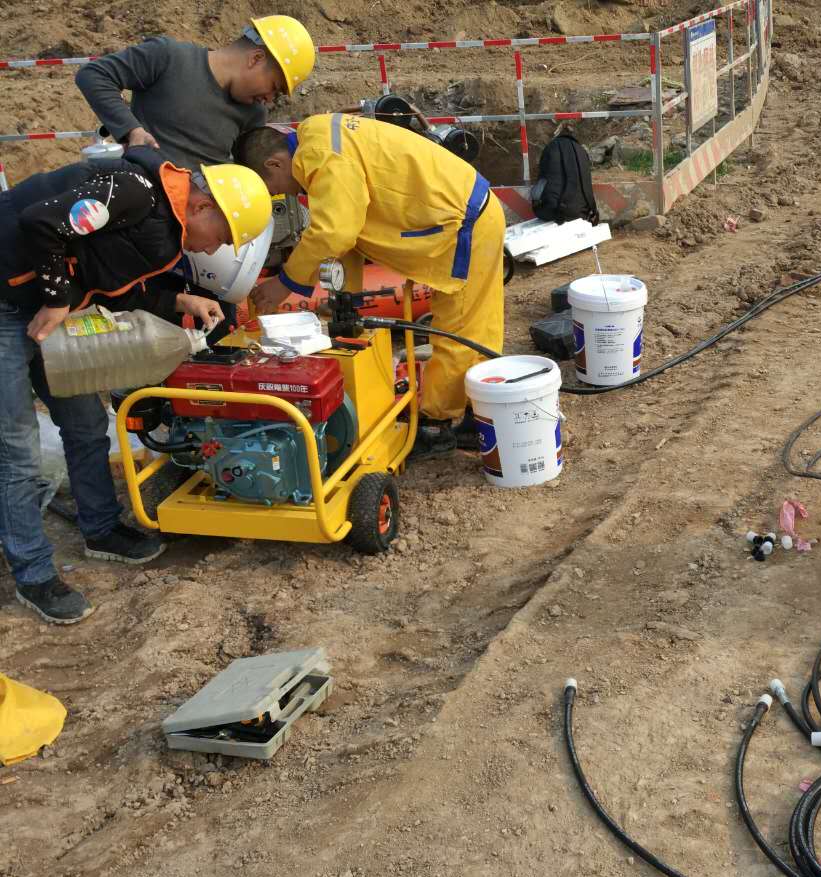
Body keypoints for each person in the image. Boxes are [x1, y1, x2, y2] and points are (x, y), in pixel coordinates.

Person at [0, 147, 272, 624]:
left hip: (44, 307)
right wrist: (58, 299)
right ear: (204, 207)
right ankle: (34, 573)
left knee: (85, 425)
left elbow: (114, 277)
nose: (211, 250)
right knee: (16, 451)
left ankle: (101, 530)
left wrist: (179, 299)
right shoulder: (133, 191)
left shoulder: (165, 228)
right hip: (7, 303)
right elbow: (41, 222)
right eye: (221, 238)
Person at [233, 115, 505, 456]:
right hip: (459, 213)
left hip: (463, 223)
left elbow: (335, 232)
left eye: (272, 184)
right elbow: (350, 234)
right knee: (474, 324)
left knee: (460, 329)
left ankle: (437, 424)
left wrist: (286, 282)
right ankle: (478, 413)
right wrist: (348, 298)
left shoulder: (320, 157)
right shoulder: (317, 138)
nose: (279, 193)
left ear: (275, 162)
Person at [75, 15, 315, 339]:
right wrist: (131, 130)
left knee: (222, 336)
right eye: (273, 87)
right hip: (146, 237)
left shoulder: (252, 115)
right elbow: (95, 75)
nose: (269, 100)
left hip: (204, 245)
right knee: (149, 338)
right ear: (256, 58)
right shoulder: (169, 57)